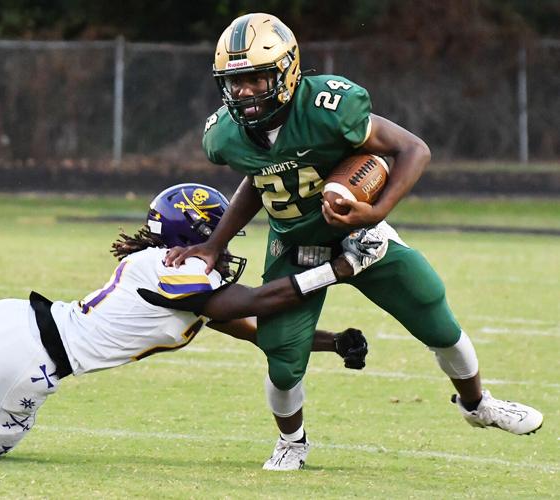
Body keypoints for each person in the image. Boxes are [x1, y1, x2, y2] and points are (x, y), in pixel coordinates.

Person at [0, 183, 385, 463]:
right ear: (192, 238)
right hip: (34, 358)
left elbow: (239, 326)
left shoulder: (162, 267)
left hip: (8, 319)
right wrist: (337, 269)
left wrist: (328, 343)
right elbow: (233, 307)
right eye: (218, 234)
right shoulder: (182, 274)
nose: (227, 243)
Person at [165, 13, 543, 471]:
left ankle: (477, 404)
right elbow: (258, 178)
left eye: (254, 78)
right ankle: (292, 442)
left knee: (435, 314)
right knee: (283, 357)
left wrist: (376, 211)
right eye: (234, 81)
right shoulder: (225, 133)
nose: (242, 91)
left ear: (285, 72)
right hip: (294, 244)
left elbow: (413, 149)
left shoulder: (328, 105)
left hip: (359, 234)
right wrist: (215, 244)